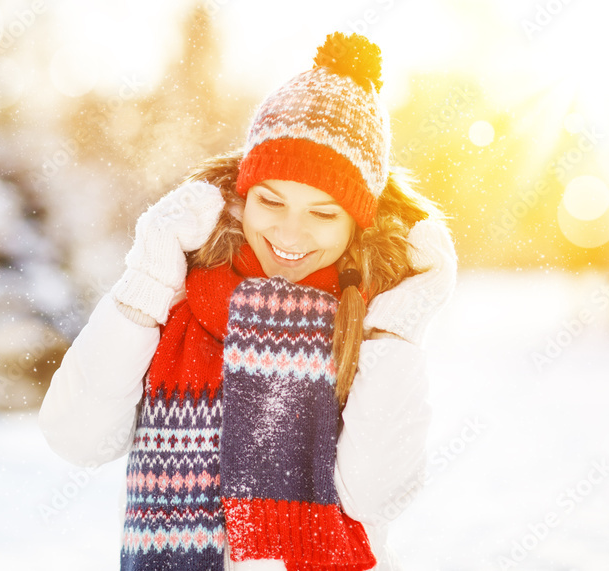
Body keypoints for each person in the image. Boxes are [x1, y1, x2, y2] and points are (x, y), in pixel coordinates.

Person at [39, 32, 457, 571]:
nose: (291, 231)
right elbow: (78, 438)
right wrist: (146, 283)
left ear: (357, 221)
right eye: (271, 200)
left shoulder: (370, 321)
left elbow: (375, 495)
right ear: (242, 194)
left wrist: (399, 325)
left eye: (323, 213)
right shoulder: (178, 296)